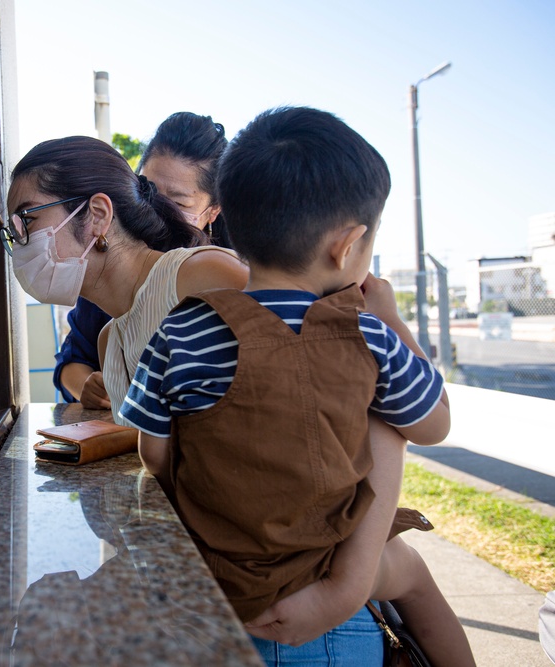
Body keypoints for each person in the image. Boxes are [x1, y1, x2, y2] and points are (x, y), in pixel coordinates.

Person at [120, 106, 474, 665]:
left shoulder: (182, 326)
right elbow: (434, 424)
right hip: (327, 609)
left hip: (209, 598)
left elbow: (156, 454)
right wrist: (390, 321)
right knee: (414, 581)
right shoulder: (368, 338)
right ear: (348, 245)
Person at [52, 112, 231, 408]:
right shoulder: (107, 259)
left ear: (213, 211)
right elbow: (71, 359)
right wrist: (88, 387)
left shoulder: (227, 274)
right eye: (147, 190)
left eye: (177, 201)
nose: (156, 209)